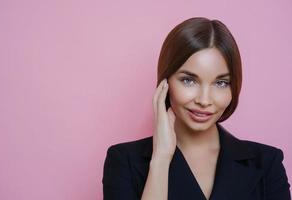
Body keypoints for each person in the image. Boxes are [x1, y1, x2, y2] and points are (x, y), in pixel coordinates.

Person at [102, 17, 291, 200]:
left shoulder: (267, 163)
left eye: (221, 83)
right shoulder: (123, 161)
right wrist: (160, 159)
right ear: (165, 83)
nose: (204, 100)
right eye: (189, 80)